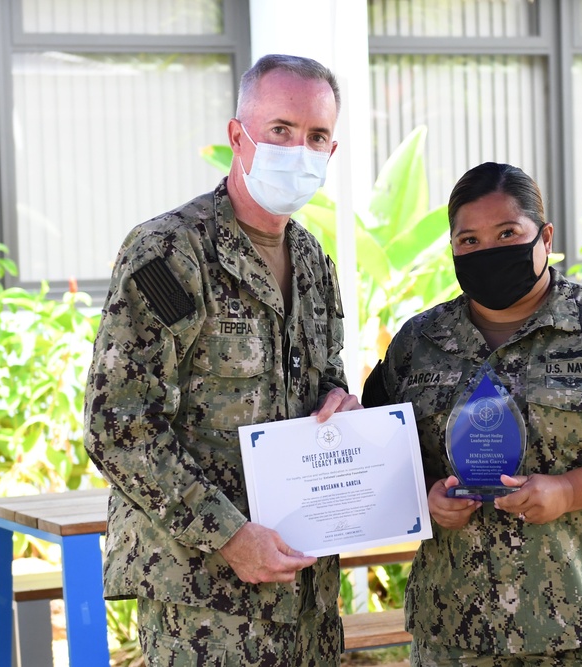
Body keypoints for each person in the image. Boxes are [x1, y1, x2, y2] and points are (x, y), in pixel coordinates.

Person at [362, 162, 582, 665]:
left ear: (544, 236)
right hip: (456, 635)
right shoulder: (417, 344)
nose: (488, 252)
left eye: (507, 233)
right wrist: (424, 496)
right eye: (469, 241)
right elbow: (374, 450)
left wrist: (568, 492)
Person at [83, 53, 361, 666]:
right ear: (239, 136)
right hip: (204, 599)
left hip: (306, 589)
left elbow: (321, 378)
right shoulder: (168, 253)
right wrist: (230, 536)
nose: (299, 148)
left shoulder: (315, 264)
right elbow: (119, 426)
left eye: (316, 136)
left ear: (330, 152)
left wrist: (339, 406)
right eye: (281, 130)